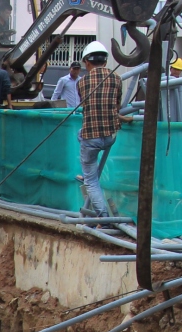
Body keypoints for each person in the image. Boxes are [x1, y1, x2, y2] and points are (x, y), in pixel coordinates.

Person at [77, 41, 123, 217]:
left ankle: (102, 216)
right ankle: (89, 169)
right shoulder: (117, 78)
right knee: (79, 134)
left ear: (87, 62)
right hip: (110, 135)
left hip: (91, 137)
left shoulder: (82, 82)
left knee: (91, 180)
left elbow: (84, 104)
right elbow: (117, 105)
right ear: (105, 61)